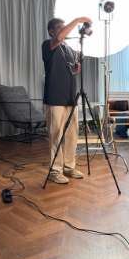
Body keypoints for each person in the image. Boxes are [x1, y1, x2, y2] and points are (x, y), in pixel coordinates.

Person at [43, 17, 92, 184]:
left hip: (71, 98)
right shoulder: (48, 45)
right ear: (52, 31)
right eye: (60, 27)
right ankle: (55, 171)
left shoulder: (70, 50)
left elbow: (75, 72)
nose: (64, 30)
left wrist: (79, 63)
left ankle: (69, 167)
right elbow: (58, 39)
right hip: (55, 98)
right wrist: (77, 20)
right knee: (56, 135)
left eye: (64, 27)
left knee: (72, 135)